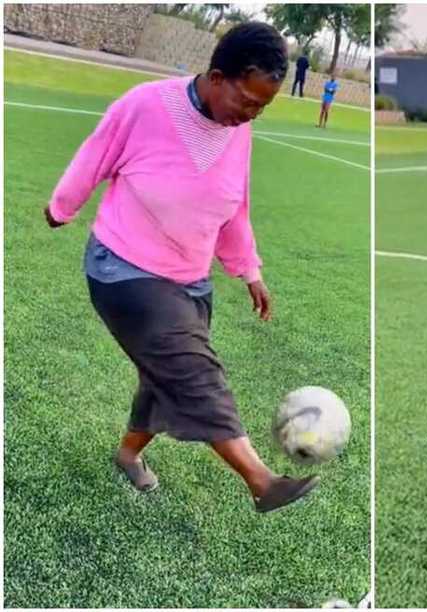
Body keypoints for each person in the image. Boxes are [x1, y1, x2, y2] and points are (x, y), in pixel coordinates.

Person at [43, 22, 319, 513]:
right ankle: (261, 481)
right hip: (124, 267)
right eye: (247, 101)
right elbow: (94, 156)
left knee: (163, 374)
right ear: (217, 77)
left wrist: (249, 270)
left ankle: (128, 454)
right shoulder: (146, 104)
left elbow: (234, 206)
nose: (251, 114)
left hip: (189, 278)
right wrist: (61, 207)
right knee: (192, 370)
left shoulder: (239, 131)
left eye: (262, 107)